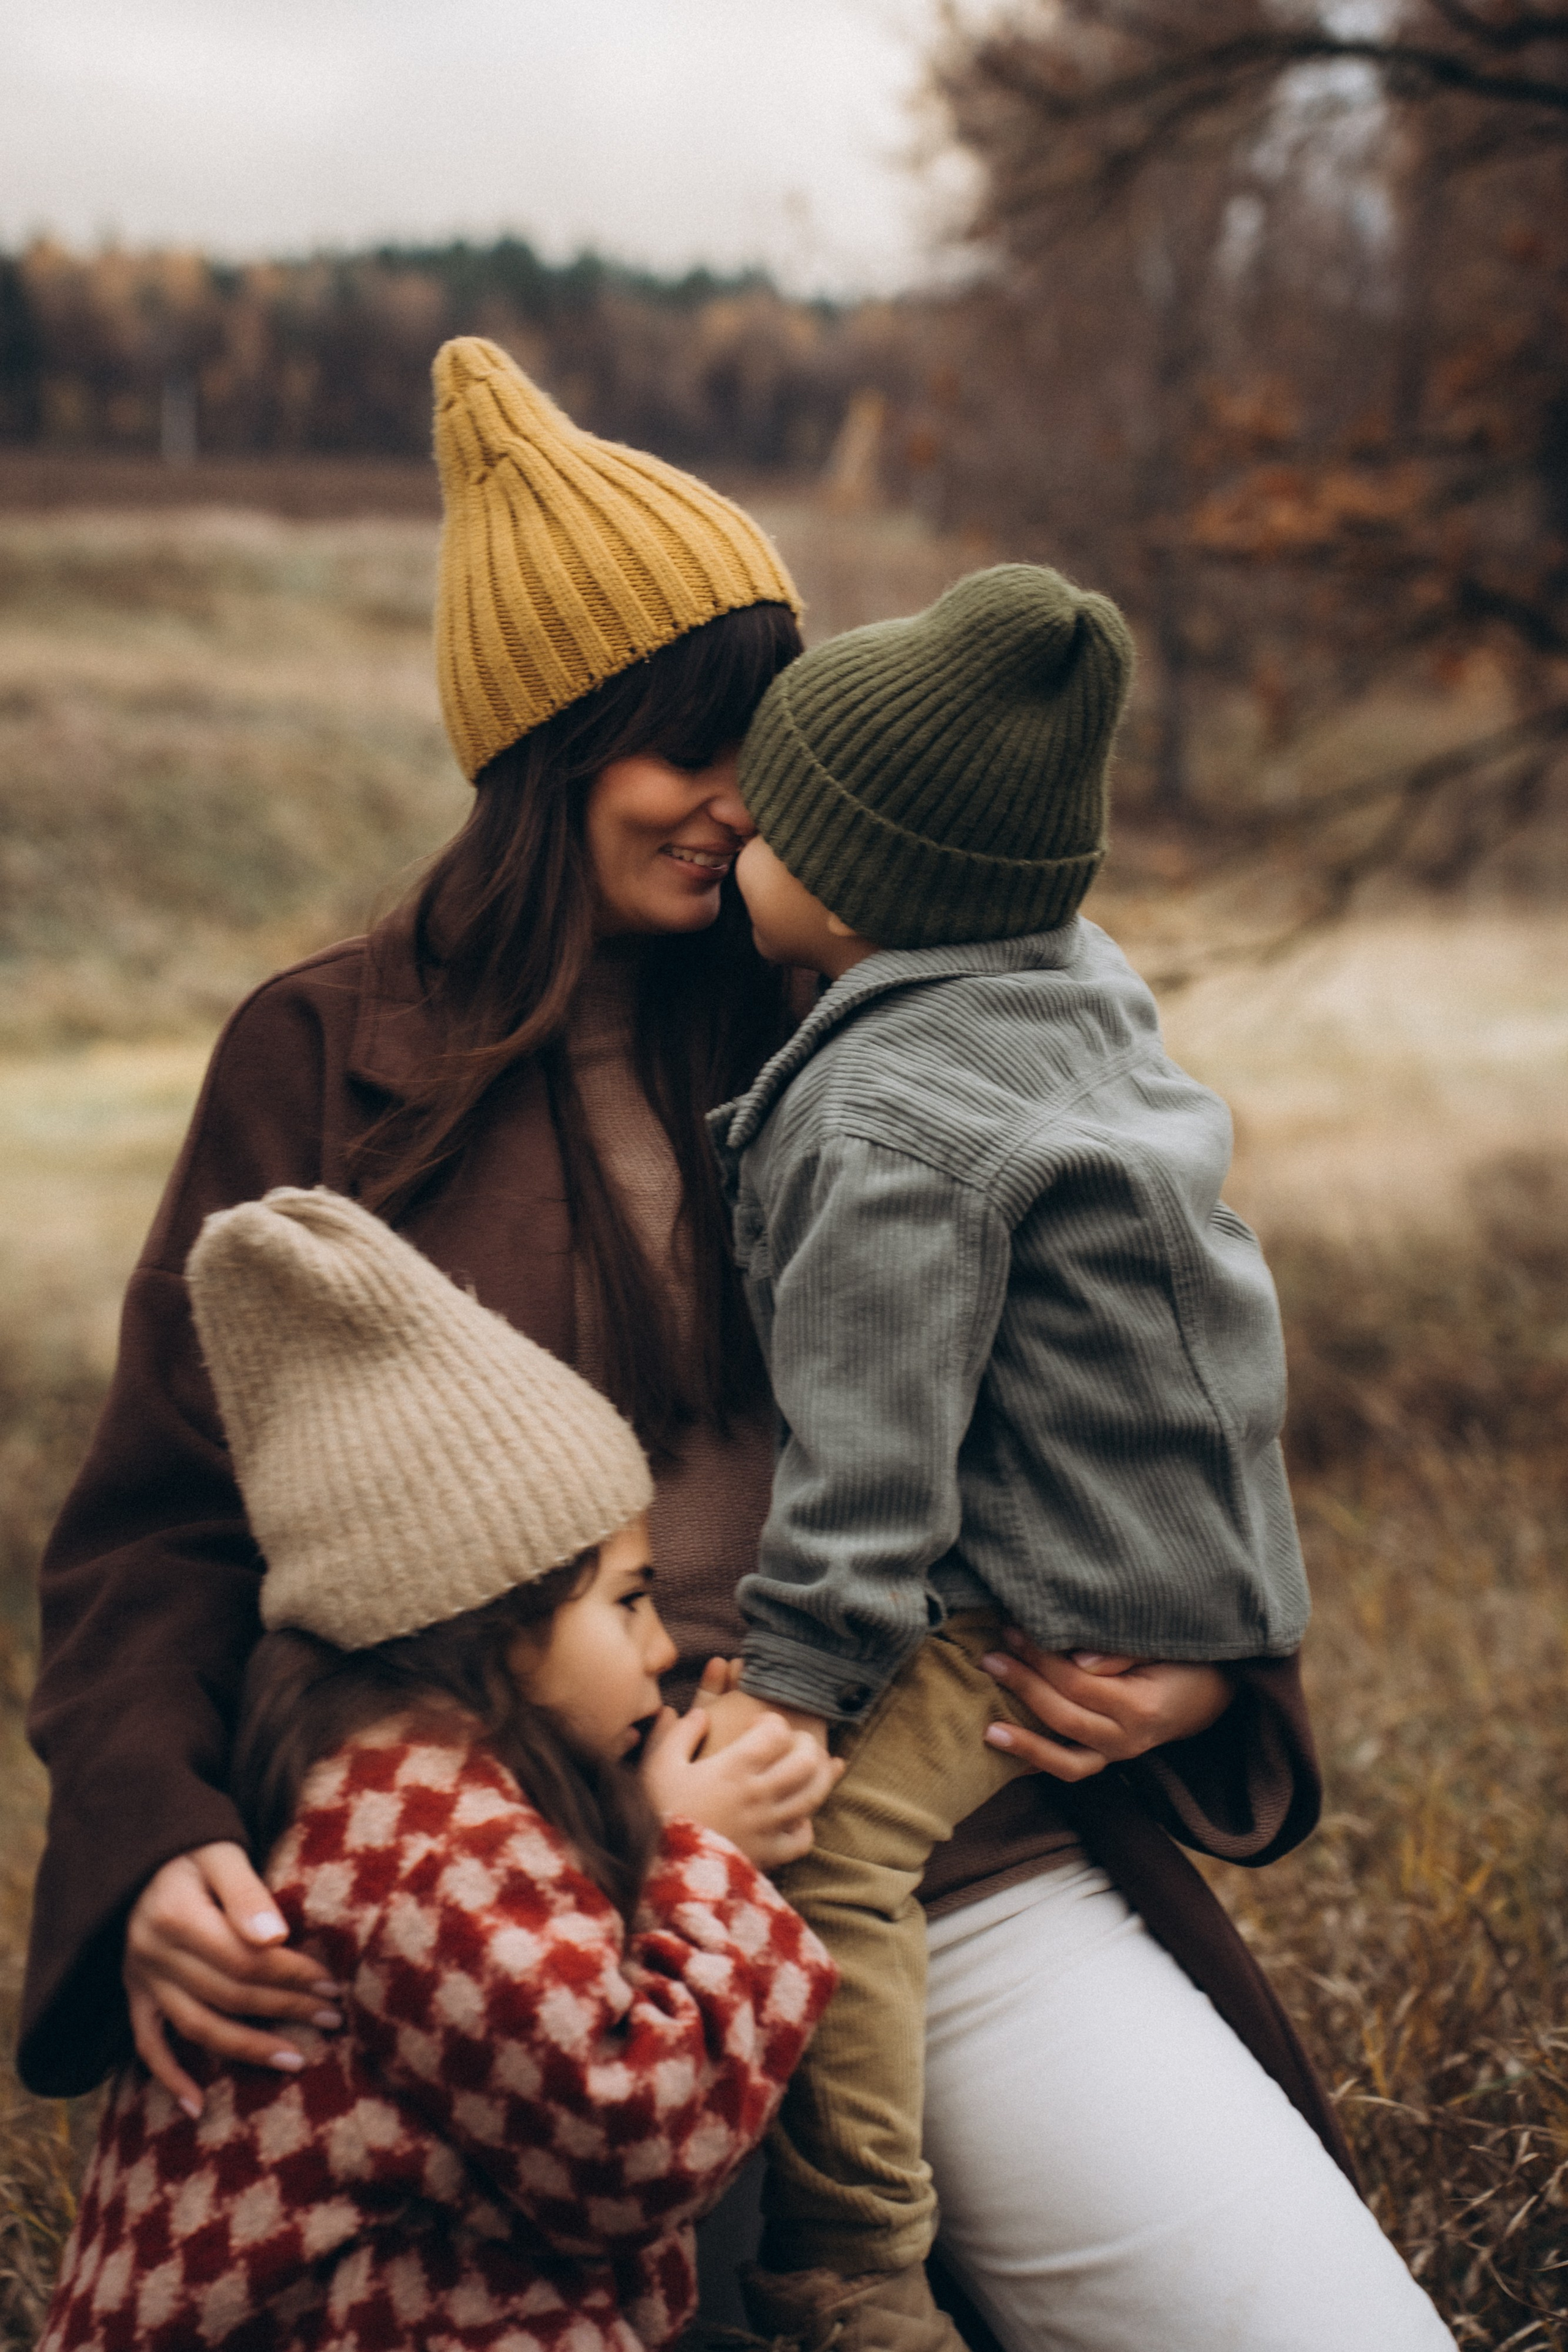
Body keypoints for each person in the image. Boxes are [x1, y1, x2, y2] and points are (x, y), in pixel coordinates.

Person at [18, 337, 1383, 2348]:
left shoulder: (892, 1008)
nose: (746, 797)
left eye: (775, 734)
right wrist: (156, 1837)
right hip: (525, 1936)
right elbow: (162, 1525)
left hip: (948, 1851)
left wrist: (1205, 1676)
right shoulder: (322, 1059)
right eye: (684, 746)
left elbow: (1149, 1352)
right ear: (545, 754)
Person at [701, 567, 1455, 2352]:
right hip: (1185, 1554)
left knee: (830, 1849)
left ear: (862, 889)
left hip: (1046, 1592)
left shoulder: (891, 1125)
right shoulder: (1066, 988)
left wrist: (802, 1689)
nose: (739, 823)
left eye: (775, 820)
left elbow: (875, 1464)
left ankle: (853, 2262)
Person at [39, 1184, 840, 2352]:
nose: (663, 1652)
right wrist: (701, 1864)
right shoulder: (422, 1850)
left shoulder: (384, 1796)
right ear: (491, 1625)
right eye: (627, 1603)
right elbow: (631, 2145)